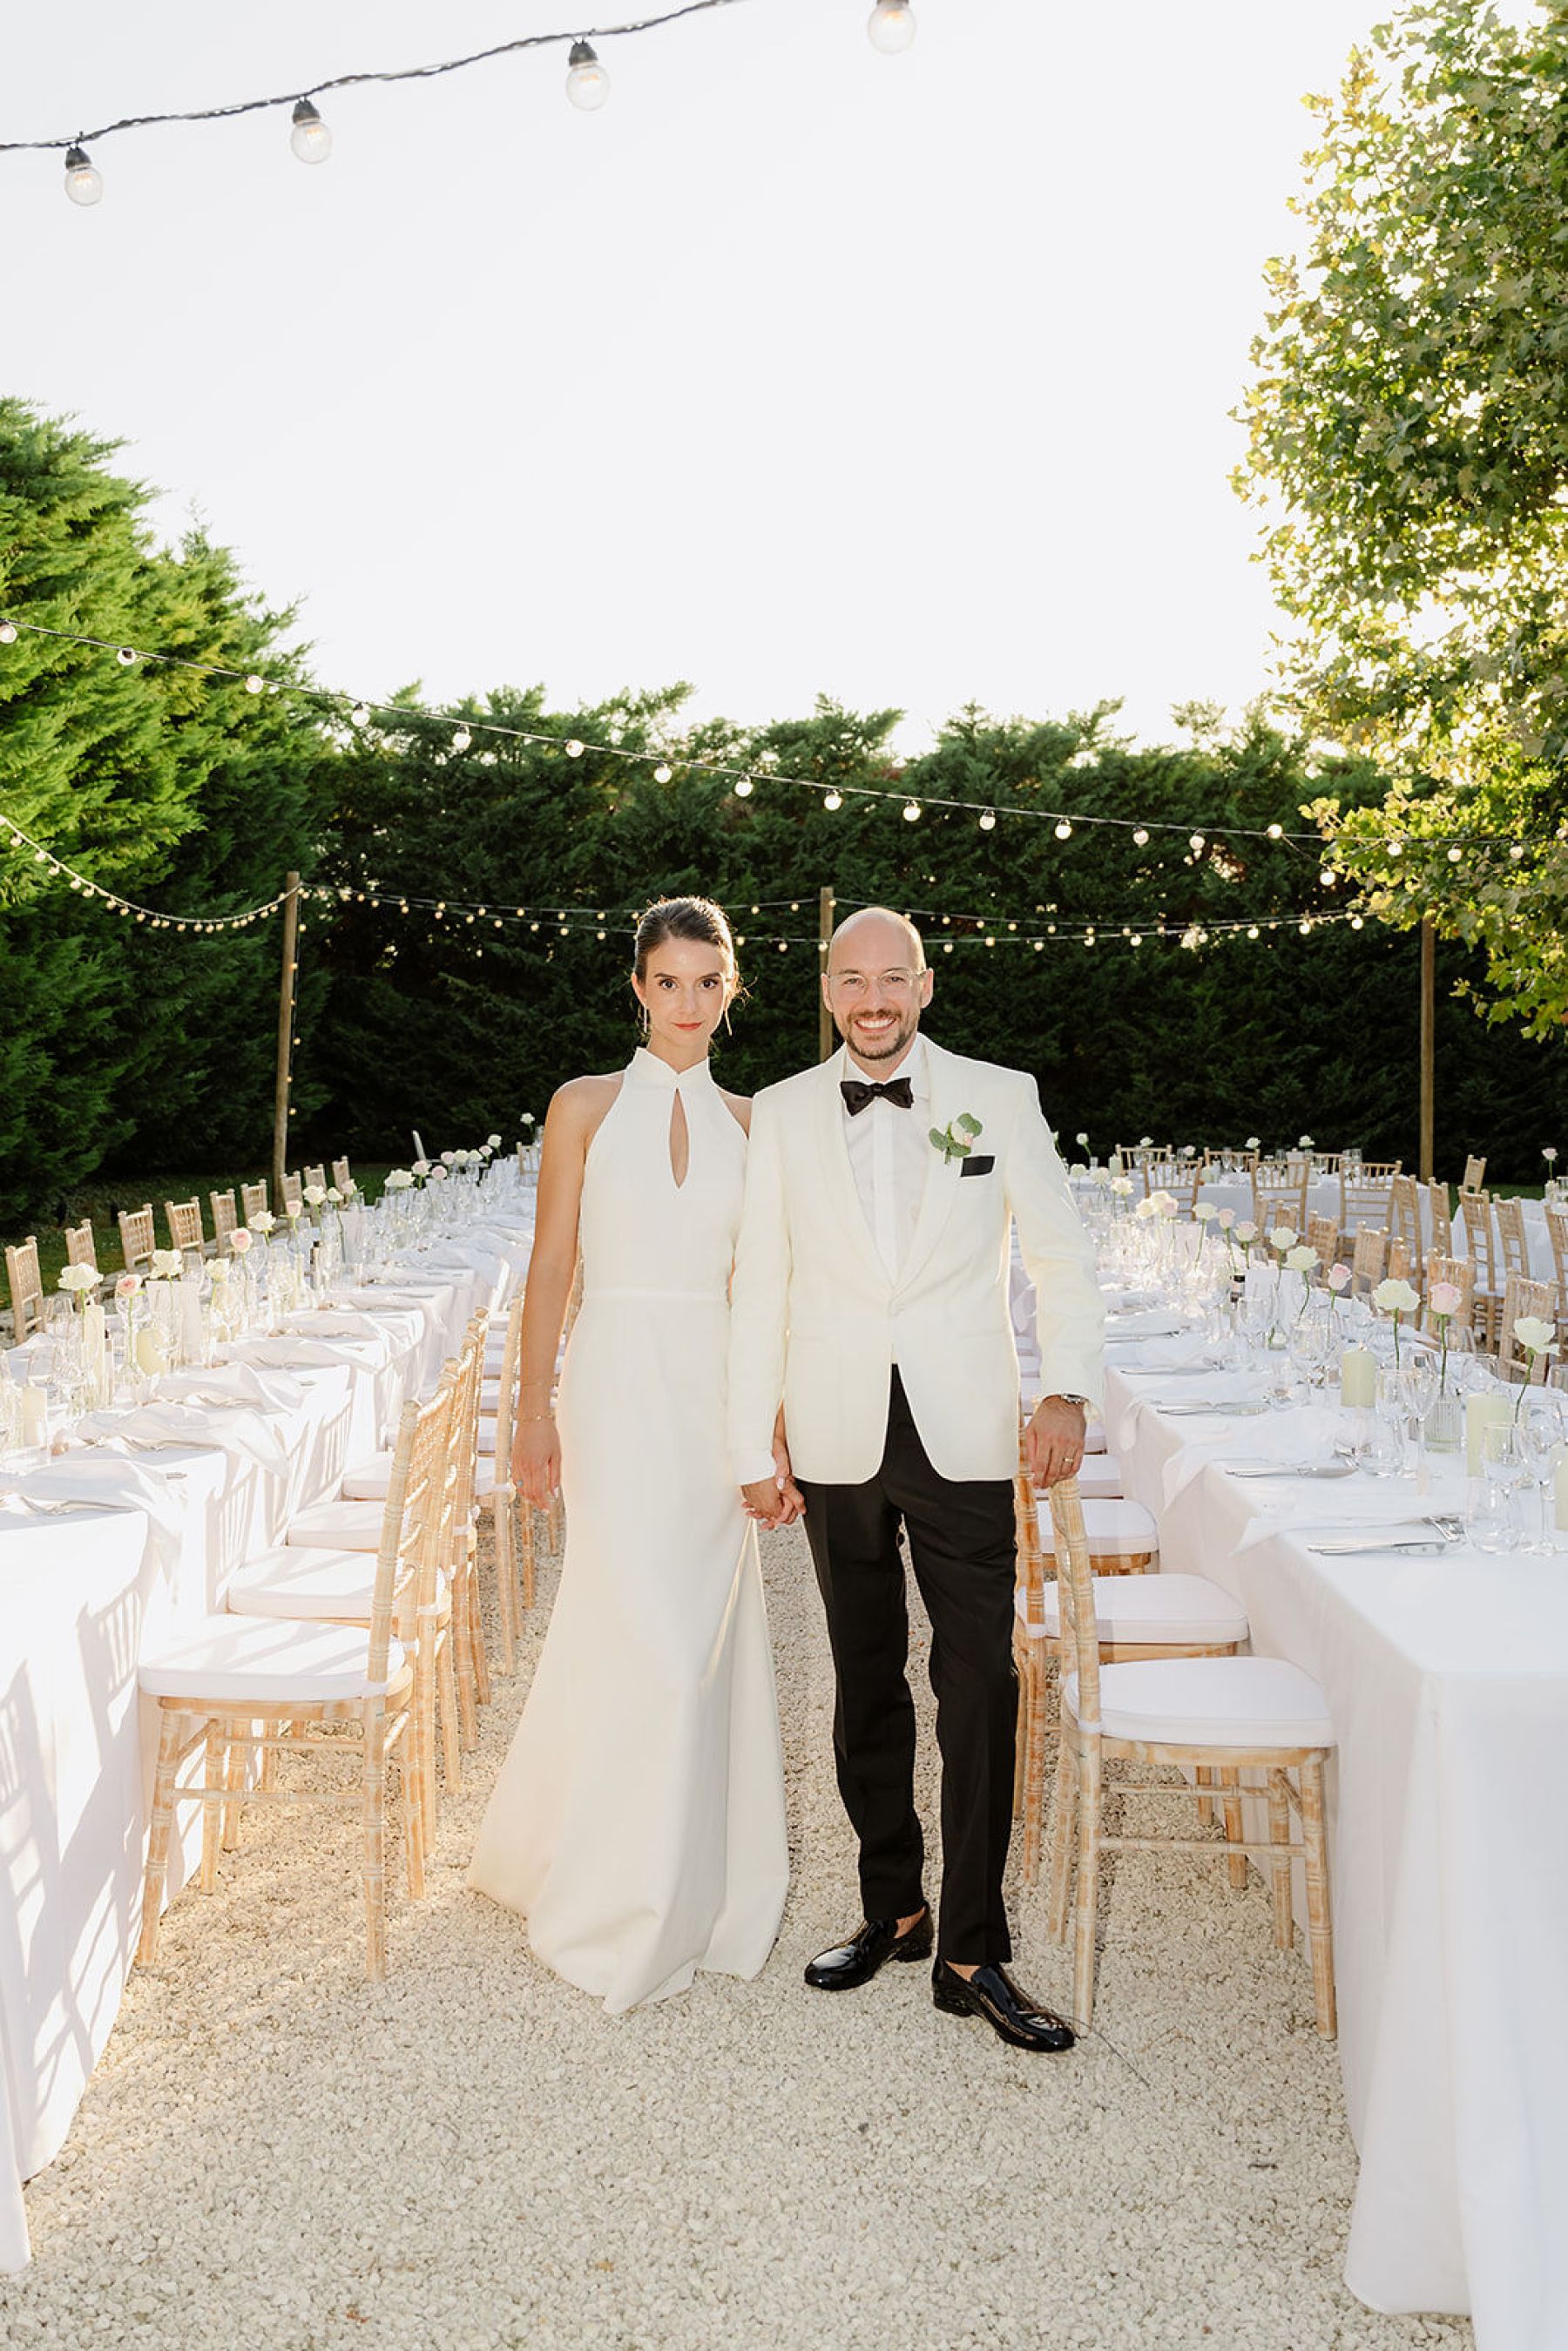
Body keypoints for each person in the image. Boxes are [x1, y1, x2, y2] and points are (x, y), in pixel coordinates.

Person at [727, 906, 1105, 2052]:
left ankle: (974, 1949)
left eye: (894, 977)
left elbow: (1060, 1250)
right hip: (839, 1429)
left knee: (980, 1679)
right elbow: (760, 1280)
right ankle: (894, 1904)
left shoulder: (1000, 1093)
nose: (874, 997)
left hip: (965, 1431)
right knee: (863, 1678)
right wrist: (752, 1440)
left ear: (925, 984)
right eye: (854, 979)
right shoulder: (785, 1113)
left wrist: (1066, 1388)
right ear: (829, 991)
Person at [468, 897, 790, 2012]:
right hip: (613, 1386)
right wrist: (534, 1411)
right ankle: (621, 1898)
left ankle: (691, 1884)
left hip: (714, 1397)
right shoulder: (581, 1107)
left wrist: (771, 1427)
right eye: (670, 980)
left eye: (710, 981)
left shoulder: (760, 1124)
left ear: (732, 991)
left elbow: (764, 1291)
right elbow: (552, 1262)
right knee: (636, 1630)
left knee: (689, 1639)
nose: (689, 1001)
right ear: (638, 988)